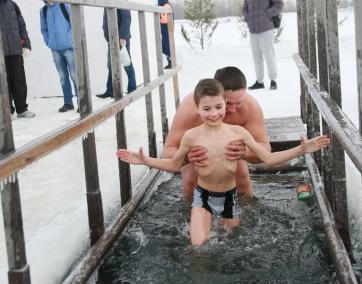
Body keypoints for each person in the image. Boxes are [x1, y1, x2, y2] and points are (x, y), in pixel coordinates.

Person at [116, 78, 330, 245]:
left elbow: (269, 159)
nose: (213, 113)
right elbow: (173, 165)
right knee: (198, 248)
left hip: (229, 196)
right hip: (203, 197)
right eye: (206, 109)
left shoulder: (238, 132)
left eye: (218, 107)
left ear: (224, 104)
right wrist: (145, 160)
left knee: (231, 240)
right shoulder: (191, 136)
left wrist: (301, 149)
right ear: (197, 108)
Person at [162, 66, 270, 198]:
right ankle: (188, 214)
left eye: (239, 103)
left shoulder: (250, 107)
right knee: (190, 180)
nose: (233, 109)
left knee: (242, 177)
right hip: (199, 151)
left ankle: (247, 213)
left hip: (230, 150)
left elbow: (265, 150)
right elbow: (167, 151)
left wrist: (245, 152)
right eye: (228, 103)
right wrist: (187, 156)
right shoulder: (190, 110)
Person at [0, 0, 35, 118]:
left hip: (15, 51)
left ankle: (22, 109)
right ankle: (7, 112)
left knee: (19, 82)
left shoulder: (12, 5)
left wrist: (26, 45)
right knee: (3, 84)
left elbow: (22, 26)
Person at [40, 0, 78, 112]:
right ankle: (68, 103)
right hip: (55, 50)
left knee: (75, 76)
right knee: (63, 77)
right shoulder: (43, 10)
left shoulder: (65, 5)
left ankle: (81, 102)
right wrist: (49, 42)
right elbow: (44, 29)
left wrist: (69, 39)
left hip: (69, 48)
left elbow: (74, 24)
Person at [242, 0, 283, 91]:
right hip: (253, 30)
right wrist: (247, 17)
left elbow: (279, 4)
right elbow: (245, 8)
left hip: (266, 29)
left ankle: (273, 80)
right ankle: (259, 82)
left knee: (269, 56)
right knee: (257, 58)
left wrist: (267, 14)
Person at [96, 9, 137, 99]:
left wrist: (122, 36)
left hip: (120, 39)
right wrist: (107, 35)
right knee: (111, 65)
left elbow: (126, 18)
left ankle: (132, 89)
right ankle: (110, 90)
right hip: (112, 38)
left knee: (127, 63)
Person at [158, 0, 172, 69]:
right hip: (164, 29)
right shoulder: (164, 5)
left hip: (166, 29)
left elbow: (164, 19)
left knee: (166, 47)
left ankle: (171, 62)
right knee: (164, 47)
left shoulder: (165, 6)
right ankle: (170, 61)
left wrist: (158, 18)